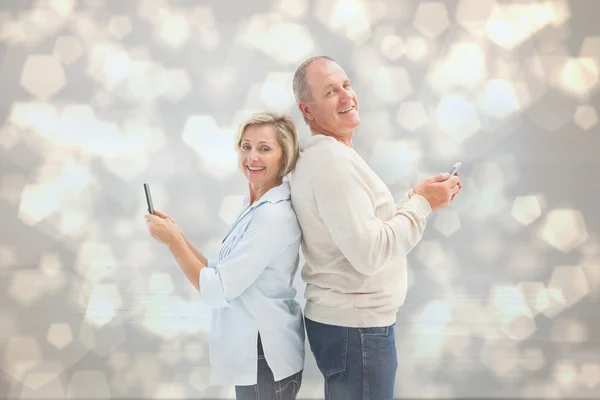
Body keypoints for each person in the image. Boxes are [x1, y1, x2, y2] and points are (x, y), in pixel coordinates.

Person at [288, 56, 463, 400]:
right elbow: (370, 253)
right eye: (330, 91)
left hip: (351, 328)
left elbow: (363, 229)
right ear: (307, 110)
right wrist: (423, 204)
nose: (345, 96)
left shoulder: (330, 155)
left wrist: (416, 195)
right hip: (358, 332)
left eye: (346, 85)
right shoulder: (332, 163)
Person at [145, 111, 305, 400]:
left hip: (265, 356)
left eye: (264, 149)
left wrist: (172, 243)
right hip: (257, 353)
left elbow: (216, 290)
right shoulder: (254, 207)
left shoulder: (272, 216)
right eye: (246, 146)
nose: (252, 157)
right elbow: (219, 271)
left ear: (284, 157)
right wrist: (178, 235)